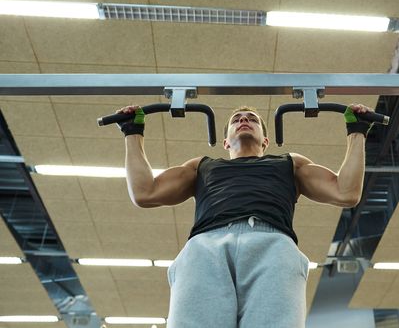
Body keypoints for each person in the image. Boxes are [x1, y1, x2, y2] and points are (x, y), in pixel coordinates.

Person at [116, 103, 373, 328]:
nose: (243, 120)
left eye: (251, 118)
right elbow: (145, 192)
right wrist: (132, 132)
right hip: (206, 249)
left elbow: (346, 192)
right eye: (237, 119)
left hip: (272, 247)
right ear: (226, 142)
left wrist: (357, 131)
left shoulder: (289, 163)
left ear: (265, 141)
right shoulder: (202, 166)